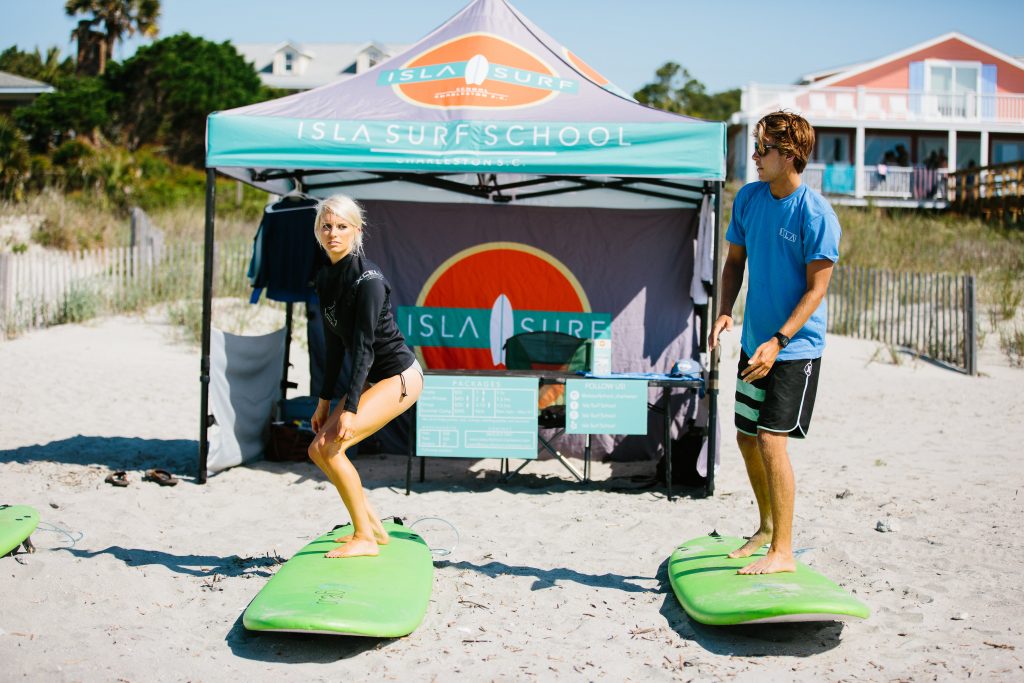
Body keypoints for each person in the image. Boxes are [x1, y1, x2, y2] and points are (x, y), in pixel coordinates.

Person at [709, 111, 841, 575]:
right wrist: (725, 311)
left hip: (795, 350)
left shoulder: (816, 213)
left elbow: (816, 290)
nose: (755, 156)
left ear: (789, 155)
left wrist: (780, 341)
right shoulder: (748, 199)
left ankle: (783, 551)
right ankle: (765, 529)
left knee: (770, 440)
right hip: (753, 342)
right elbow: (733, 266)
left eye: (762, 148)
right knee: (746, 438)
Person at [307, 194, 424, 559]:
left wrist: (351, 407)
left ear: (356, 230)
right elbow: (335, 345)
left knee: (332, 446)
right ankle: (372, 526)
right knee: (317, 449)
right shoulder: (326, 278)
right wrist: (325, 401)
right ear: (318, 231)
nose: (333, 233)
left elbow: (364, 350)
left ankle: (365, 538)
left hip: (401, 378)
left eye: (342, 226)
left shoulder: (368, 280)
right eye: (327, 226)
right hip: (373, 379)